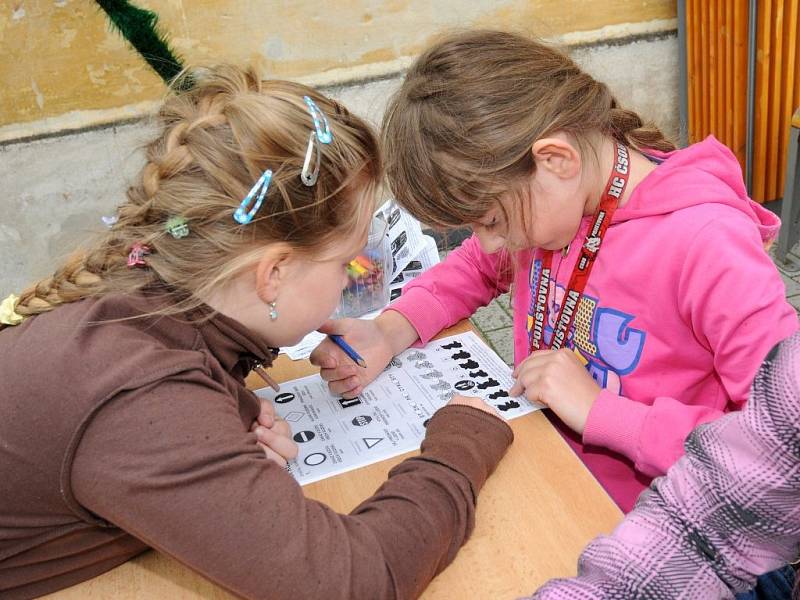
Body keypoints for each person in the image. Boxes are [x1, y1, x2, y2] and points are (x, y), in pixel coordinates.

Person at [0, 65, 513, 600]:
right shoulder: (141, 397)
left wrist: (225, 429)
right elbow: (356, 584)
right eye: (346, 261)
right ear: (273, 273)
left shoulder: (147, 295)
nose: (354, 277)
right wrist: (459, 448)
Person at [311, 28, 798, 514]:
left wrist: (604, 414)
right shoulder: (560, 201)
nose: (489, 244)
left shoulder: (707, 244)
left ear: (555, 159)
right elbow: (475, 268)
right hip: (554, 472)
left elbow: (782, 444)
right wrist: (388, 331)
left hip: (668, 528)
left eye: (491, 221)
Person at [529, 330, 800, 599]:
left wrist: (605, 415)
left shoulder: (737, 292)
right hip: (587, 508)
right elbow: (703, 532)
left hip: (627, 514)